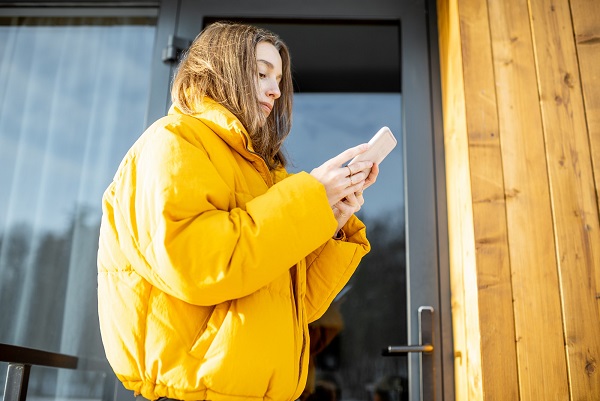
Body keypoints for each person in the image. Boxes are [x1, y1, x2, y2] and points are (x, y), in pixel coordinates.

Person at [97, 21, 379, 401]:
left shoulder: (263, 173)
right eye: (262, 73)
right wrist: (311, 199)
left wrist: (330, 221)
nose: (276, 90)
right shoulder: (172, 142)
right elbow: (198, 264)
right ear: (222, 70)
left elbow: (296, 303)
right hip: (194, 393)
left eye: (278, 78)